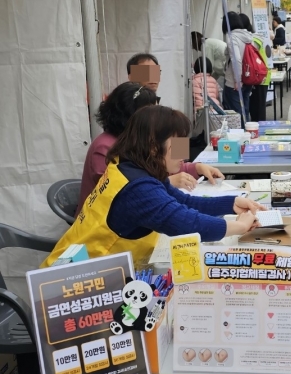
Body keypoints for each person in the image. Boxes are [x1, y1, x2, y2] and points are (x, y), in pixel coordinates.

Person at [43, 105, 264, 268]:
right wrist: (239, 227)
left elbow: (183, 201)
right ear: (152, 146)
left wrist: (231, 203)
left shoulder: (128, 166)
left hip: (86, 272)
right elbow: (185, 223)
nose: (183, 154)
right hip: (74, 288)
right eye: (176, 145)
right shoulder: (138, 188)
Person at [76, 82, 224, 218]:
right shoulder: (105, 147)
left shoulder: (155, 135)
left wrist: (196, 167)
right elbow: (122, 193)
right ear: (132, 116)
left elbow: (177, 161)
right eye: (150, 111)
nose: (156, 116)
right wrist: (167, 181)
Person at [239, 13, 272, 122]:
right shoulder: (254, 37)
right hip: (258, 75)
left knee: (257, 111)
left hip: (258, 76)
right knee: (256, 108)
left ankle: (260, 134)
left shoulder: (251, 40)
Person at [222, 12, 254, 123]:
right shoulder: (248, 36)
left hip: (235, 81)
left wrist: (237, 80)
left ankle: (240, 136)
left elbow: (236, 59)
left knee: (236, 113)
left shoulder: (232, 37)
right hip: (248, 78)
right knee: (245, 109)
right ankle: (247, 134)